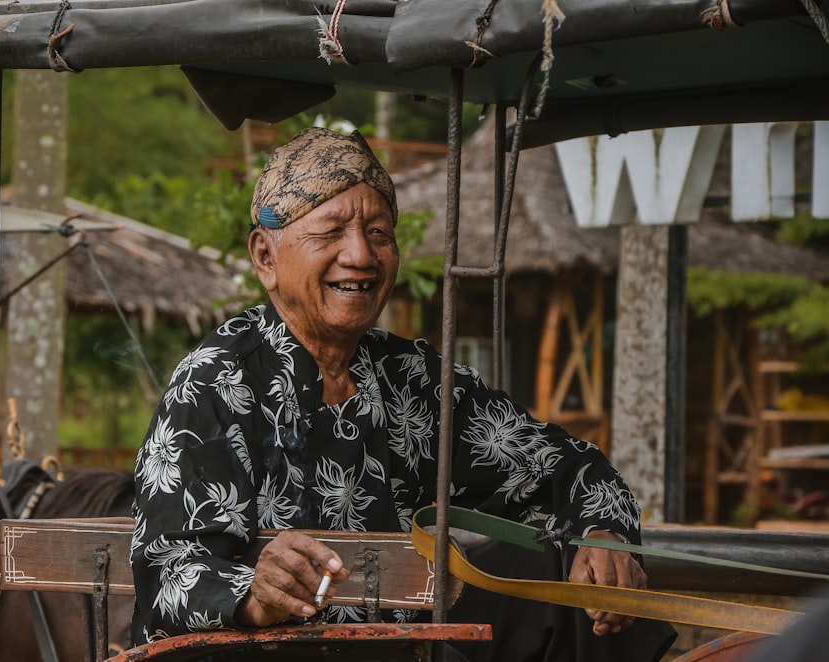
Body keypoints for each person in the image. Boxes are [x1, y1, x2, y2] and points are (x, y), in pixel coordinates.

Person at [129, 127, 677, 661]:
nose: (362, 256)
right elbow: (170, 570)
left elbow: (570, 468)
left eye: (379, 233)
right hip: (270, 653)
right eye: (331, 232)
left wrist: (602, 534)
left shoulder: (414, 380)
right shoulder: (215, 384)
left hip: (403, 649)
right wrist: (253, 591)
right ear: (266, 258)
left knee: (563, 582)